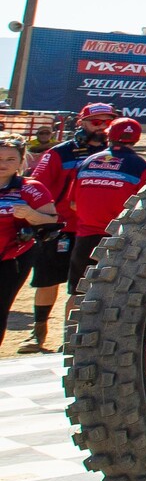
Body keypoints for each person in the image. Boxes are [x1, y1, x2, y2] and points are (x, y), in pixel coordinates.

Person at [38, 118, 146, 352]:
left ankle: (69, 339)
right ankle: (113, 342)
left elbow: (72, 204)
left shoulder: (88, 162)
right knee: (120, 292)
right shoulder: (144, 167)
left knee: (78, 290)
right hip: (121, 238)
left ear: (109, 135)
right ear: (135, 138)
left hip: (86, 235)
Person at [0, 138, 59, 353]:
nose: (3, 164)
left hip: (11, 259)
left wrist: (30, 214)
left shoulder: (31, 188)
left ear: (21, 162)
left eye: (10, 159)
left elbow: (52, 220)